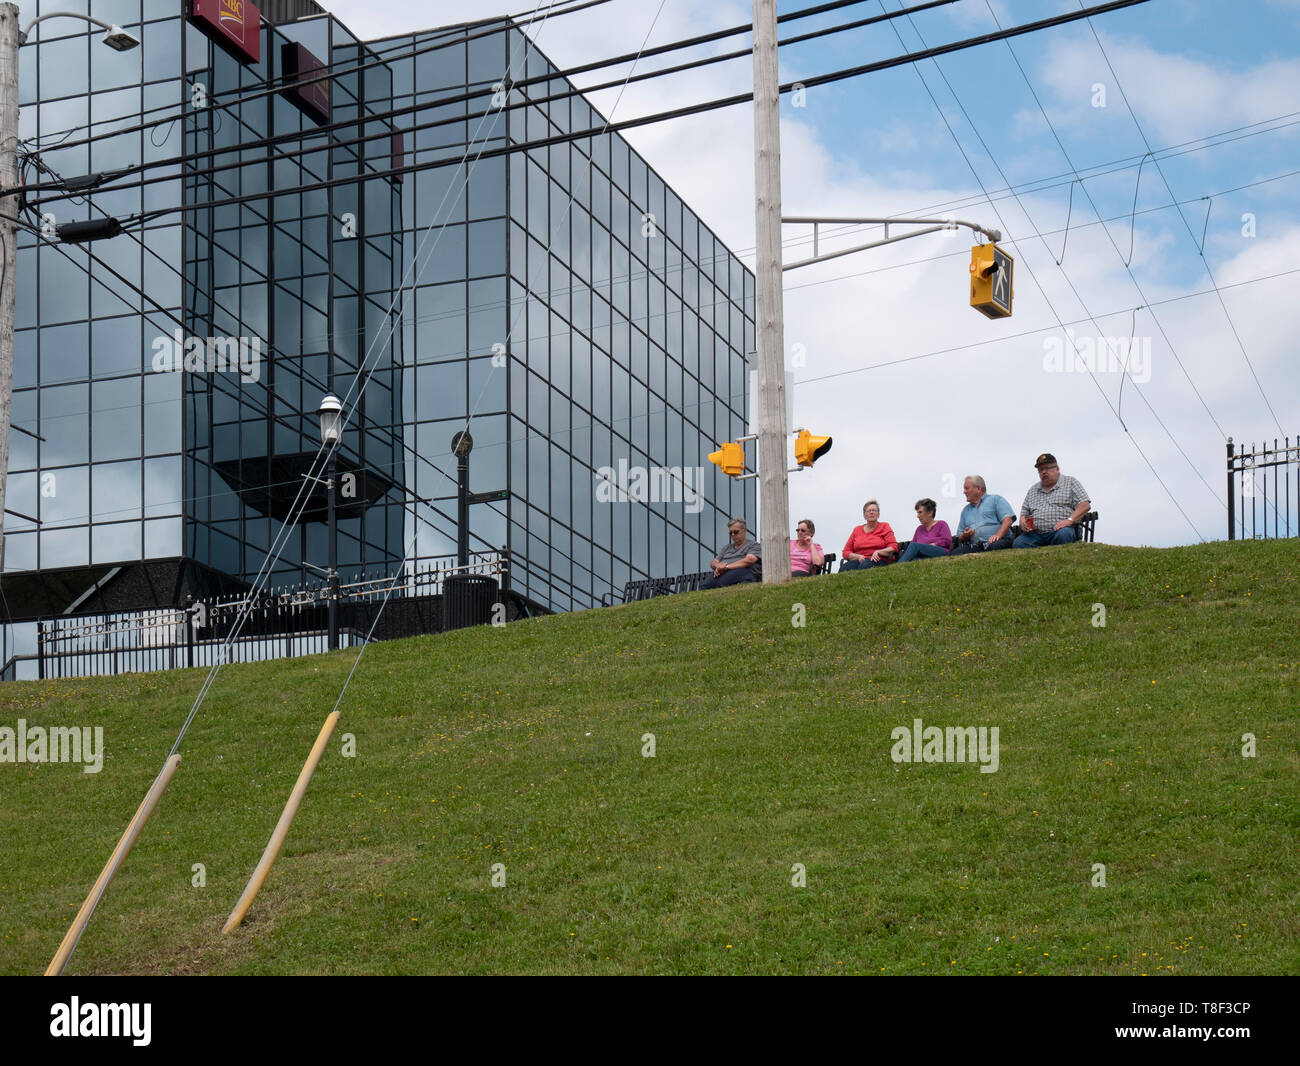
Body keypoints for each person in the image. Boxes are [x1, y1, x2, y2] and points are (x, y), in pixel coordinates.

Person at [1014, 453, 1092, 548]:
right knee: (1019, 543)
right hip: (1036, 535)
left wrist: (1069, 520)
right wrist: (1022, 520)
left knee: (1064, 535)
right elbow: (1024, 513)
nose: (1044, 472)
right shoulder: (1033, 490)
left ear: (1057, 468)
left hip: (1061, 530)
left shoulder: (1070, 482)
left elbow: (1085, 505)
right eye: (1040, 470)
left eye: (1047, 468)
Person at [950, 475, 1015, 556]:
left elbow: (1008, 520)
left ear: (978, 488)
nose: (964, 492)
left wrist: (998, 535)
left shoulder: (996, 499)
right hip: (977, 546)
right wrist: (964, 536)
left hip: (999, 541)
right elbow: (959, 535)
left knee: (994, 547)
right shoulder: (965, 511)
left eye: (967, 488)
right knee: (955, 553)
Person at [701, 517, 762, 588]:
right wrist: (718, 566)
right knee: (704, 585)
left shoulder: (754, 545)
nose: (733, 535)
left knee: (714, 584)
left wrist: (726, 567)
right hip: (722, 573)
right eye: (730, 533)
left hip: (742, 572)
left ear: (744, 531)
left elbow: (749, 560)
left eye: (736, 532)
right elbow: (713, 562)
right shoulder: (726, 548)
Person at [840, 500, 898, 570]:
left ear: (878, 514)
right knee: (844, 568)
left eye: (874, 510)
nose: (871, 512)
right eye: (868, 511)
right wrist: (858, 556)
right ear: (864, 515)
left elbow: (893, 547)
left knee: (865, 566)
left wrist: (878, 552)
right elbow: (846, 552)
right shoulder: (857, 530)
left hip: (879, 559)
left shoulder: (885, 526)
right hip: (860, 559)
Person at [898, 498, 952, 562]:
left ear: (930, 512)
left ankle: (897, 567)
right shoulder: (919, 529)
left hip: (939, 551)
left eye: (920, 512)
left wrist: (935, 544)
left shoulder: (941, 524)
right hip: (923, 555)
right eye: (917, 513)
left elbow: (947, 540)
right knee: (914, 560)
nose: (918, 516)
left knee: (914, 545)